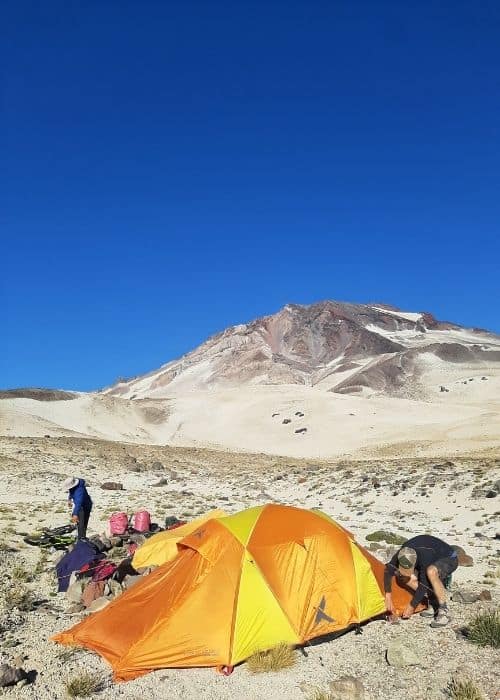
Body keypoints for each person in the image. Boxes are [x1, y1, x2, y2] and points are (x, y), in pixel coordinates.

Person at [383, 535, 458, 627]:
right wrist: (388, 595)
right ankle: (434, 603)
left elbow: (423, 585)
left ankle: (443, 610)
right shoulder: (402, 553)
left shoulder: (425, 557)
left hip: (449, 558)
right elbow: (388, 570)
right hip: (430, 555)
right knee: (403, 577)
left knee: (431, 572)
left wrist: (412, 606)